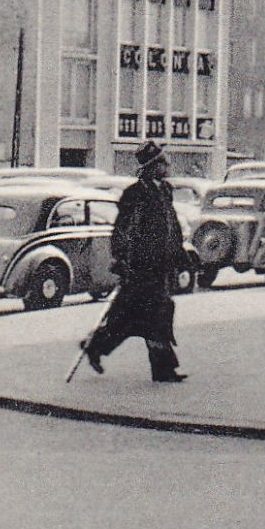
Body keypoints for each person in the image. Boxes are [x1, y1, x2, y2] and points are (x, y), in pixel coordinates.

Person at [84, 141, 190, 382]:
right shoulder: (135, 194)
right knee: (150, 315)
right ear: (152, 166)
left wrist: (179, 252)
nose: (168, 165)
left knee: (135, 318)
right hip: (141, 267)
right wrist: (121, 259)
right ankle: (163, 368)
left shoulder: (165, 191)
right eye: (164, 162)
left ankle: (96, 346)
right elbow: (122, 230)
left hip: (160, 266)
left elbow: (171, 226)